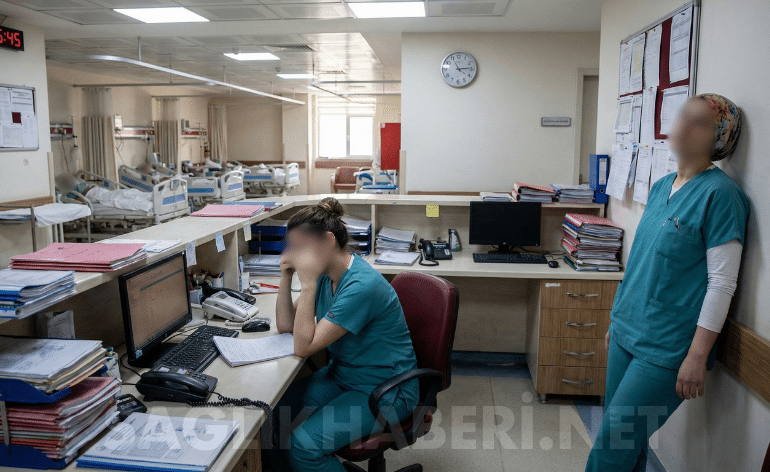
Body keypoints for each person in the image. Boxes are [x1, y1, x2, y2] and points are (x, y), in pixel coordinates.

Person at [585, 94, 749, 471]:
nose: (684, 126)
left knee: (611, 445)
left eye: (700, 122)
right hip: (626, 331)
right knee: (629, 446)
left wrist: (697, 355)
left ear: (720, 138)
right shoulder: (661, 186)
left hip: (666, 348)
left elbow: (722, 284)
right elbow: (642, 260)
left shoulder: (722, 196)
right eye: (683, 116)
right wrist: (616, 320)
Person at [268, 197, 419, 472]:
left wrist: (308, 284)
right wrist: (286, 276)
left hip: (385, 390)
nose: (295, 254)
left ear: (327, 241)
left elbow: (303, 347)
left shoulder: (361, 285)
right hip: (344, 376)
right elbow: (286, 325)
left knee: (304, 445)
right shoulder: (327, 274)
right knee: (276, 412)